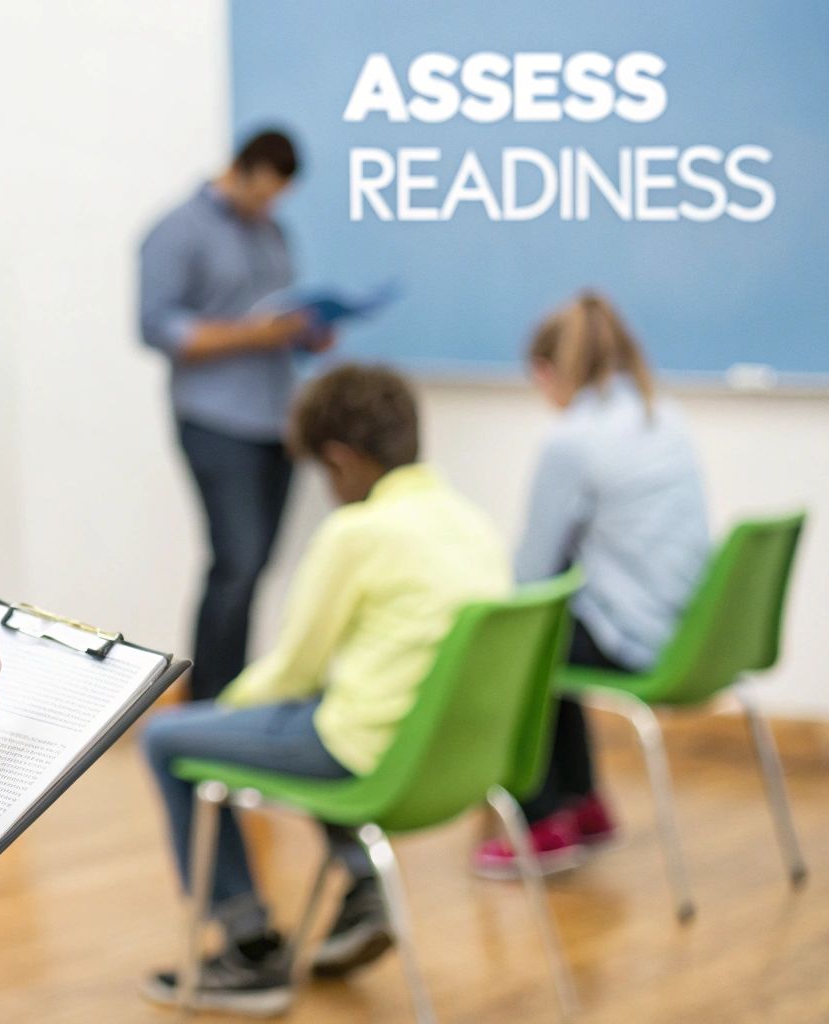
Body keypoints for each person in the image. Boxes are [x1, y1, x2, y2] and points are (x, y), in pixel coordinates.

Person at [140, 365, 510, 1015]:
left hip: (370, 752)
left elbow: (293, 672)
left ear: (341, 459)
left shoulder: (356, 532)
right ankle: (363, 886)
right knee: (322, 713)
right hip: (453, 757)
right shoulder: (471, 521)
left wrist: (222, 716)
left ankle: (247, 949)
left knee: (166, 737)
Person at [472, 291, 711, 878]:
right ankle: (584, 803)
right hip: (688, 630)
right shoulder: (664, 416)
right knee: (559, 632)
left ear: (547, 373)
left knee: (516, 640)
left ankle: (544, 823)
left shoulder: (571, 440)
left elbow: (528, 576)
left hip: (635, 636)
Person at [138, 128, 336, 702]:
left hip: (276, 420)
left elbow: (279, 319)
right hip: (215, 419)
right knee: (235, 564)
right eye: (265, 192)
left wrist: (304, 333)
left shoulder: (273, 232)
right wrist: (253, 335)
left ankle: (233, 700)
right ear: (242, 170)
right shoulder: (177, 231)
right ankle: (206, 704)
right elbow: (157, 327)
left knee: (253, 571)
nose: (269, 205)